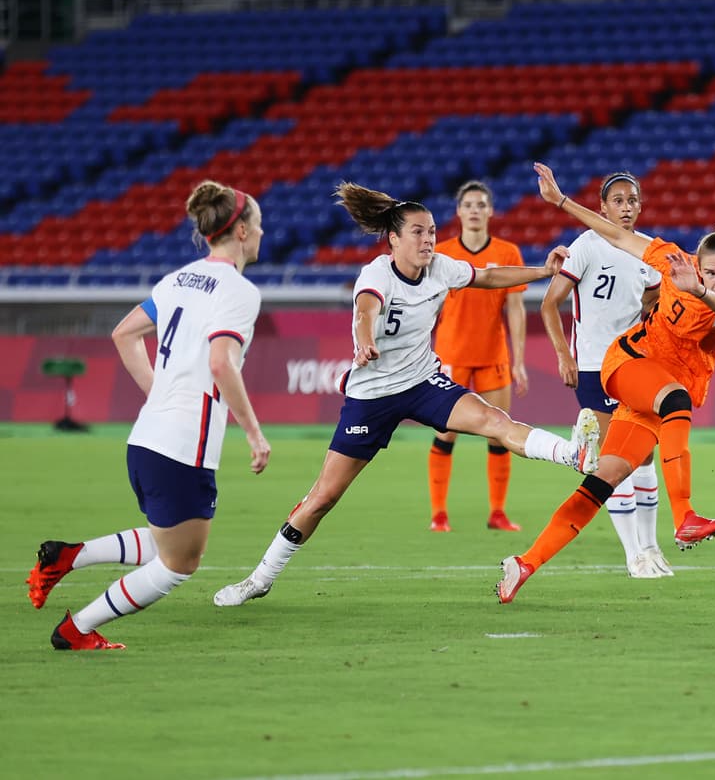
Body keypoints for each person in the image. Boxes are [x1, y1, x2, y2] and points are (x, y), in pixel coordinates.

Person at [213, 182, 600, 607]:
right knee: (323, 498)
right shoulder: (377, 274)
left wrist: (544, 272)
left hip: (421, 383)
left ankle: (574, 454)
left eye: (432, 230)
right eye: (418, 232)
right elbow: (366, 310)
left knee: (495, 422)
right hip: (372, 396)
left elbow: (489, 276)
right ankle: (260, 577)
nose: (428, 239)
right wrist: (363, 341)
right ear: (394, 239)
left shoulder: (441, 268)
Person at [496, 161, 715, 603]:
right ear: (699, 263)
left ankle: (524, 564)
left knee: (603, 480)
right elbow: (619, 237)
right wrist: (562, 201)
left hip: (656, 390)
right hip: (628, 361)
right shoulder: (676, 263)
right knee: (676, 402)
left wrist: (700, 292)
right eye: (710, 271)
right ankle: (685, 517)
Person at [26, 180, 271, 650]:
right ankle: (75, 630)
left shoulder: (177, 279)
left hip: (146, 437)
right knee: (179, 563)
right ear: (240, 230)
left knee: (169, 539)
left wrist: (160, 393)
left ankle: (67, 557)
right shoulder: (239, 291)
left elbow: (124, 334)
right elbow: (221, 363)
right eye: (257, 224)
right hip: (182, 447)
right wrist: (255, 434)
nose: (262, 232)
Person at [540, 171, 668, 579]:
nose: (626, 207)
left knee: (644, 456)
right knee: (613, 459)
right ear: (603, 207)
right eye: (618, 200)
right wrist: (564, 356)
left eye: (633, 200)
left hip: (632, 363)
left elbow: (653, 294)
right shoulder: (586, 246)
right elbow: (549, 304)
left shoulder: (647, 250)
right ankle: (633, 555)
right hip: (595, 366)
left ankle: (651, 547)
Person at [429, 180, 529, 532]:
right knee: (445, 434)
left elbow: (515, 308)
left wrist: (519, 359)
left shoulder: (507, 253)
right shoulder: (440, 253)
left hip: (493, 355)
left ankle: (497, 512)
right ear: (458, 212)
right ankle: (439, 514)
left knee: (499, 434)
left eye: (480, 204)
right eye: (468, 204)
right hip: (451, 355)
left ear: (490, 211)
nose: (474, 210)